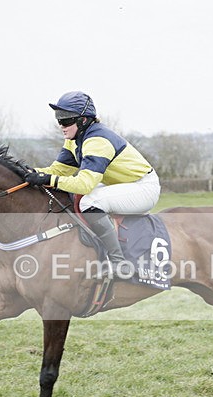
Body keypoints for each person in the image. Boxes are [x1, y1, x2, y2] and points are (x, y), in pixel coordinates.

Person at [22, 91, 160, 279]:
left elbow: (85, 184)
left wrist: (47, 180)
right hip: (123, 186)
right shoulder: (74, 139)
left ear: (84, 121)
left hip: (143, 188)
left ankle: (120, 263)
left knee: (88, 202)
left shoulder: (97, 141)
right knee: (75, 198)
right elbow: (60, 171)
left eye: (66, 120)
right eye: (58, 119)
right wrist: (26, 172)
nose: (61, 125)